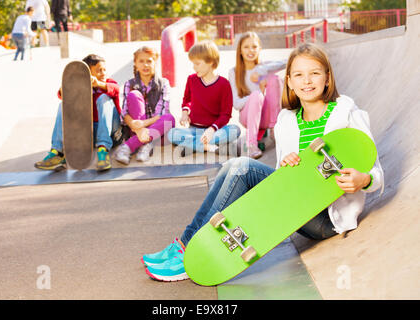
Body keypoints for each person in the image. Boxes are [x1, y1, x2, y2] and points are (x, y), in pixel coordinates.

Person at [142, 43, 384, 282]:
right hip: (297, 207)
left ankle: (186, 251)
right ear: (289, 81)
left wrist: (364, 179)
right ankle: (185, 244)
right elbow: (281, 183)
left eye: (314, 73)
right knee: (233, 166)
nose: (307, 81)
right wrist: (289, 165)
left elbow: (375, 172)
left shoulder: (346, 112)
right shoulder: (287, 120)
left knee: (241, 167)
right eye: (299, 75)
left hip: (327, 219)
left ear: (327, 78)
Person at [35, 54, 121, 171]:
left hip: (112, 132)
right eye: (98, 70)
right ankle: (57, 153)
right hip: (87, 135)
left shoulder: (108, 82)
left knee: (103, 99)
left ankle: (103, 151)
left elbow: (116, 89)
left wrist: (98, 84)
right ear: (88, 74)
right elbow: (61, 95)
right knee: (63, 105)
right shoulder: (81, 88)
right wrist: (65, 88)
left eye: (104, 69)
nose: (103, 73)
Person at [167, 41, 241, 157]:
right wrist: (185, 112)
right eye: (193, 64)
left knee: (235, 130)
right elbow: (187, 100)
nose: (194, 67)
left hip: (215, 131)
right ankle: (211, 147)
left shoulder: (224, 84)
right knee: (172, 134)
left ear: (210, 62)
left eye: (197, 64)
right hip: (193, 130)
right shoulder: (191, 79)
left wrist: (211, 130)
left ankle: (191, 146)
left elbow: (225, 115)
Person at [229, 32, 286, 159]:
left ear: (260, 49)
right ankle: (251, 145)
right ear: (240, 51)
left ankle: (274, 130)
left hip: (267, 117)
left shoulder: (264, 67)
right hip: (247, 117)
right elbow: (237, 104)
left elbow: (287, 62)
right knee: (256, 95)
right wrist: (258, 94)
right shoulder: (234, 72)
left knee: (274, 79)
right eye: (246, 47)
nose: (251, 50)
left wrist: (260, 70)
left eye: (254, 47)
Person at [114, 46, 175, 165]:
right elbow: (124, 113)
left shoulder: (164, 83)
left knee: (169, 118)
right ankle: (142, 143)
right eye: (141, 61)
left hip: (158, 132)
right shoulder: (129, 84)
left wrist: (143, 125)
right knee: (134, 95)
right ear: (135, 63)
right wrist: (136, 126)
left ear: (155, 62)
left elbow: (162, 113)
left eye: (149, 61)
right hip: (135, 130)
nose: (145, 65)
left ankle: (129, 147)